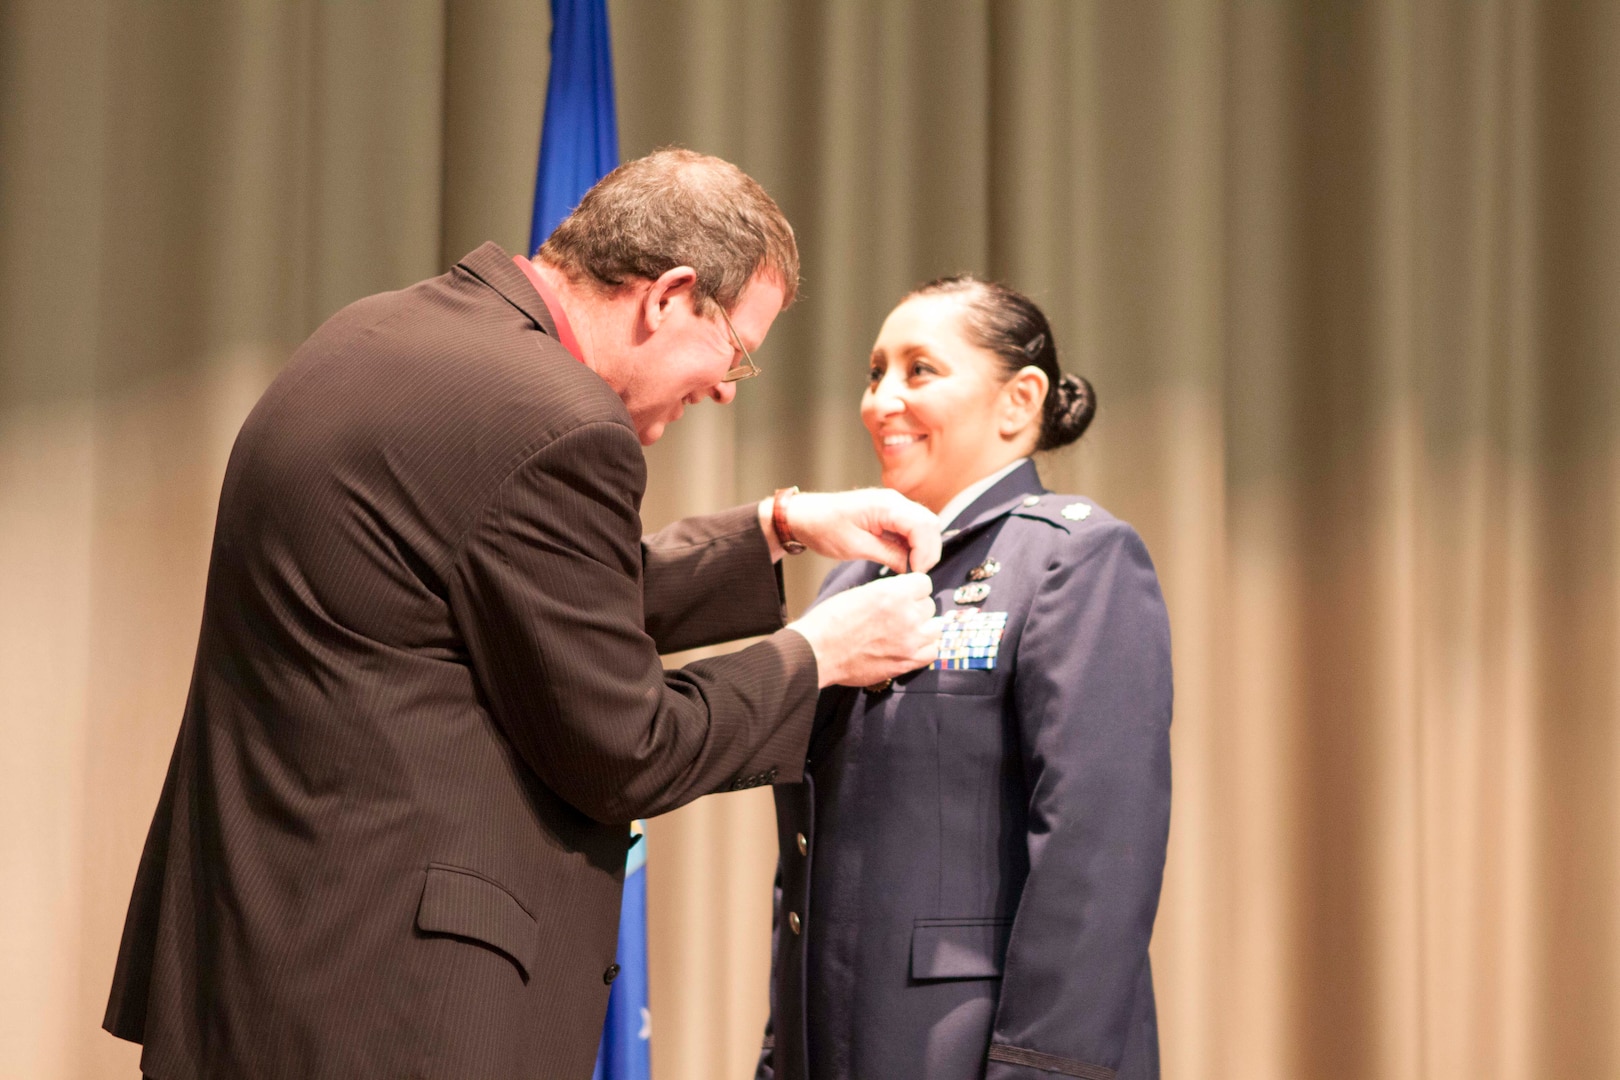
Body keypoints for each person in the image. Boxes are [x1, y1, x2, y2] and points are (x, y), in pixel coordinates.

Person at [103, 149, 944, 1080]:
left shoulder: (380, 335)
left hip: (266, 967)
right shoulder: (557, 417)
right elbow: (628, 746)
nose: (721, 387)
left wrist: (775, 528)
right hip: (393, 1015)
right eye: (736, 353)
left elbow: (512, 603)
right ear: (667, 295)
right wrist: (814, 656)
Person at [758, 277, 1173, 1080]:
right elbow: (809, 853)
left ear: (1019, 401)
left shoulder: (1073, 559)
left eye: (920, 371)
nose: (882, 400)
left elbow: (1096, 853)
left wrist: (1040, 1068)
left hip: (977, 1052)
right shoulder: (851, 582)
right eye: (876, 372)